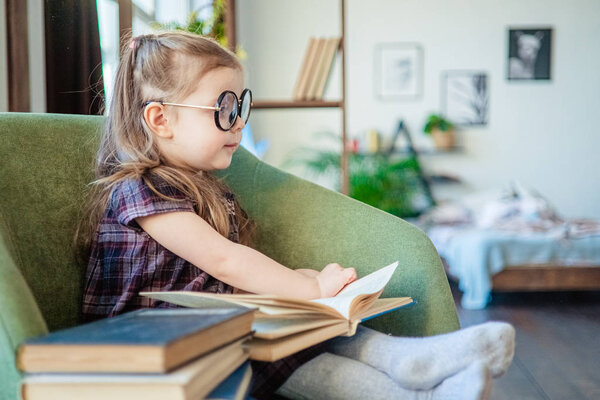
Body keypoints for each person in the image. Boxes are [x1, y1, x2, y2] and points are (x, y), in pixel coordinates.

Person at [76, 31, 515, 400]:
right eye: (224, 109)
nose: (238, 124)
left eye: (241, 107)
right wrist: (307, 286)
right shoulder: (141, 190)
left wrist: (300, 288)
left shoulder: (207, 189)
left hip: (210, 325)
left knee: (311, 328)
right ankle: (415, 393)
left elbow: (226, 275)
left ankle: (409, 360)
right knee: (282, 352)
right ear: (160, 119)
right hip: (151, 349)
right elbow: (225, 261)